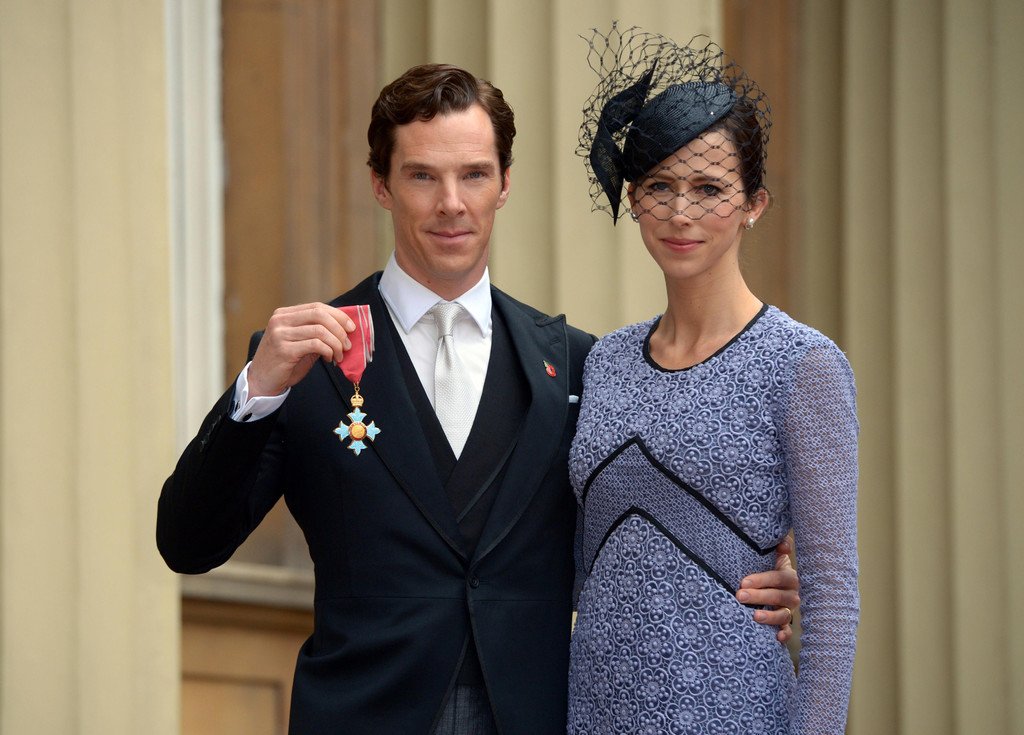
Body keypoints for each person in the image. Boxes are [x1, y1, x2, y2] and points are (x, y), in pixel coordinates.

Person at [157, 62, 800, 735]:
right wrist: (255, 390)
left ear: (504, 185)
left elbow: (631, 529)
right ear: (381, 185)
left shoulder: (577, 362)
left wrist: (748, 572)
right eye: (422, 176)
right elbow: (187, 543)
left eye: (473, 175)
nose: (451, 204)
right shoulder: (302, 362)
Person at [567, 26, 859, 734]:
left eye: (709, 189)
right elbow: (578, 560)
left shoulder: (802, 364)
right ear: (634, 198)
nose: (681, 212)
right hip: (594, 711)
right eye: (659, 187)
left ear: (755, 203)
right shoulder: (605, 360)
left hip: (736, 711)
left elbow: (832, 600)